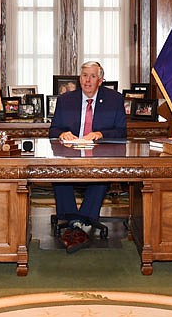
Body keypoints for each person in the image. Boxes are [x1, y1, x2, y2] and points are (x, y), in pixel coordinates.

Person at [49, 61, 127, 253]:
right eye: (84, 75)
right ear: (79, 78)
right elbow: (53, 129)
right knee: (59, 174)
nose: (88, 80)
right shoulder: (66, 99)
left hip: (100, 155)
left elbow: (121, 132)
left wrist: (100, 134)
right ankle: (74, 220)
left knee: (100, 176)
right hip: (70, 154)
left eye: (92, 76)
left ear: (100, 80)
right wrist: (62, 134)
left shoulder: (114, 99)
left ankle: (80, 221)